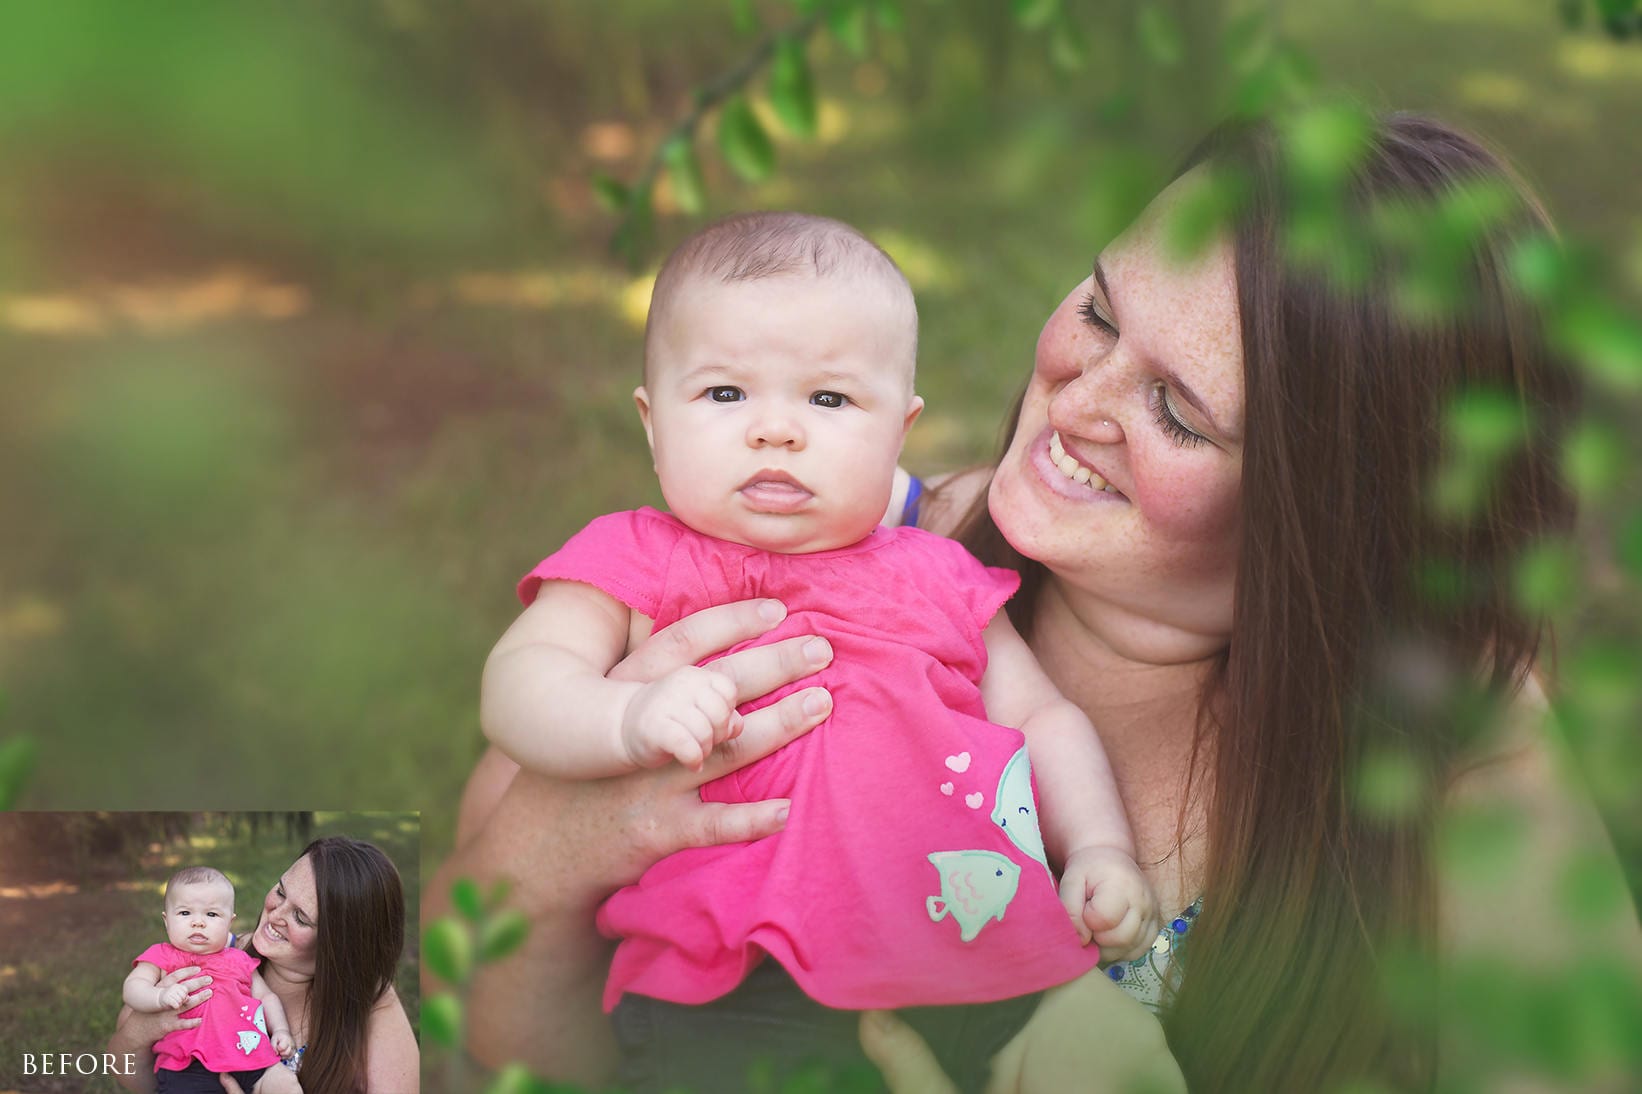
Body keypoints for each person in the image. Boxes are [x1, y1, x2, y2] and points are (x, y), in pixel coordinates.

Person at [432, 112, 1642, 1091]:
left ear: (1330, 524)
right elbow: (486, 1034)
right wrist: (556, 846)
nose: (1075, 402)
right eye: (1102, 310)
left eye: (1176, 411)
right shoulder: (834, 563)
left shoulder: (1444, 736)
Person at [479, 211, 1157, 1089]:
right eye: (725, 395)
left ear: (898, 431)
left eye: (828, 399)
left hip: (974, 941)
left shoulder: (939, 572)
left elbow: (1039, 717)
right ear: (652, 425)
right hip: (736, 973)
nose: (776, 431)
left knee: (1108, 1059)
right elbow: (522, 681)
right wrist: (627, 718)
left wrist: (1101, 847)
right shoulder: (636, 556)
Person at [110, 837, 420, 1094]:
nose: (274, 915)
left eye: (300, 917)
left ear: (340, 947)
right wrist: (142, 1028)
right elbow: (127, 1070)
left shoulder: (370, 1001)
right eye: (281, 891)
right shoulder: (214, 958)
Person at [124, 867, 294, 1093]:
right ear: (166, 921)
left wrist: (281, 1029)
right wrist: (160, 996)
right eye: (185, 913)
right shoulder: (162, 956)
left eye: (211, 914)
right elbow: (133, 988)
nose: (198, 922)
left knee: (285, 1084)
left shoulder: (239, 959)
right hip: (188, 1065)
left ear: (229, 922)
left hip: (250, 1056)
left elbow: (265, 996)